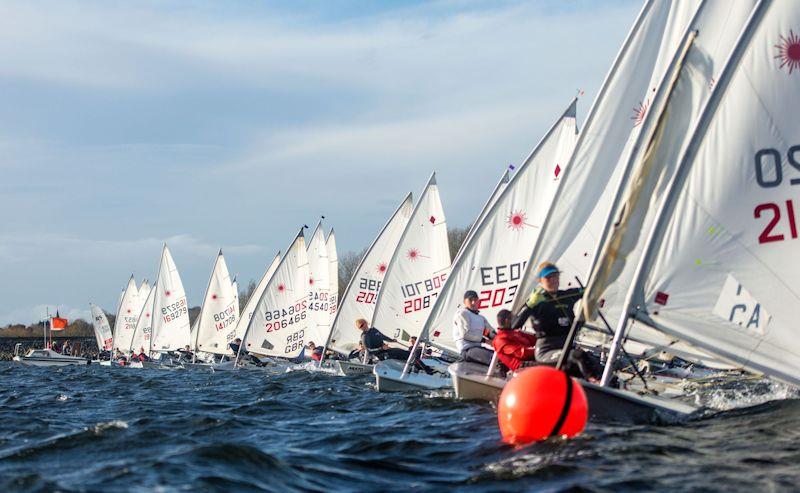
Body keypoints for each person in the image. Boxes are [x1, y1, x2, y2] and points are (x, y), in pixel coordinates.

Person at [512, 262, 602, 382]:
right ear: (540, 280)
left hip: (566, 346)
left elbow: (590, 290)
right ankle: (595, 384)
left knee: (594, 362)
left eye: (555, 276)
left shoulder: (567, 295)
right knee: (578, 355)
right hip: (546, 351)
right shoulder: (536, 301)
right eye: (548, 277)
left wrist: (596, 296)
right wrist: (529, 305)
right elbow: (514, 325)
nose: (553, 280)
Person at [452, 290, 495, 366]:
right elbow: (465, 334)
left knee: (500, 357)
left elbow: (488, 332)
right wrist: (485, 340)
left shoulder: (481, 318)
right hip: (467, 350)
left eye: (475, 300)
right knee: (494, 359)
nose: (473, 303)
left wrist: (499, 338)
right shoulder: (463, 313)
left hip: (478, 348)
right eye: (470, 300)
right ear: (464, 301)